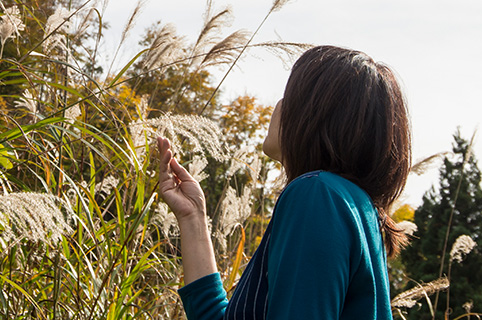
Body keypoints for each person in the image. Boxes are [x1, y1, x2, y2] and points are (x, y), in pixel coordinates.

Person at [157, 45, 411, 320]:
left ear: (314, 113)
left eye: (288, 95)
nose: (277, 105)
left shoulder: (317, 195)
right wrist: (193, 217)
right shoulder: (355, 207)